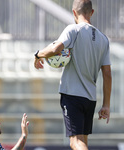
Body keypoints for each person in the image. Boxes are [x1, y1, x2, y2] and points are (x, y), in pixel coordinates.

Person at [34, 0, 112, 149]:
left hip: (72, 95)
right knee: (82, 140)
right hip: (90, 98)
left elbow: (56, 48)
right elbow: (107, 73)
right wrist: (106, 105)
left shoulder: (73, 30)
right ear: (92, 12)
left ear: (74, 12)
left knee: (75, 142)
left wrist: (38, 55)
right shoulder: (103, 39)